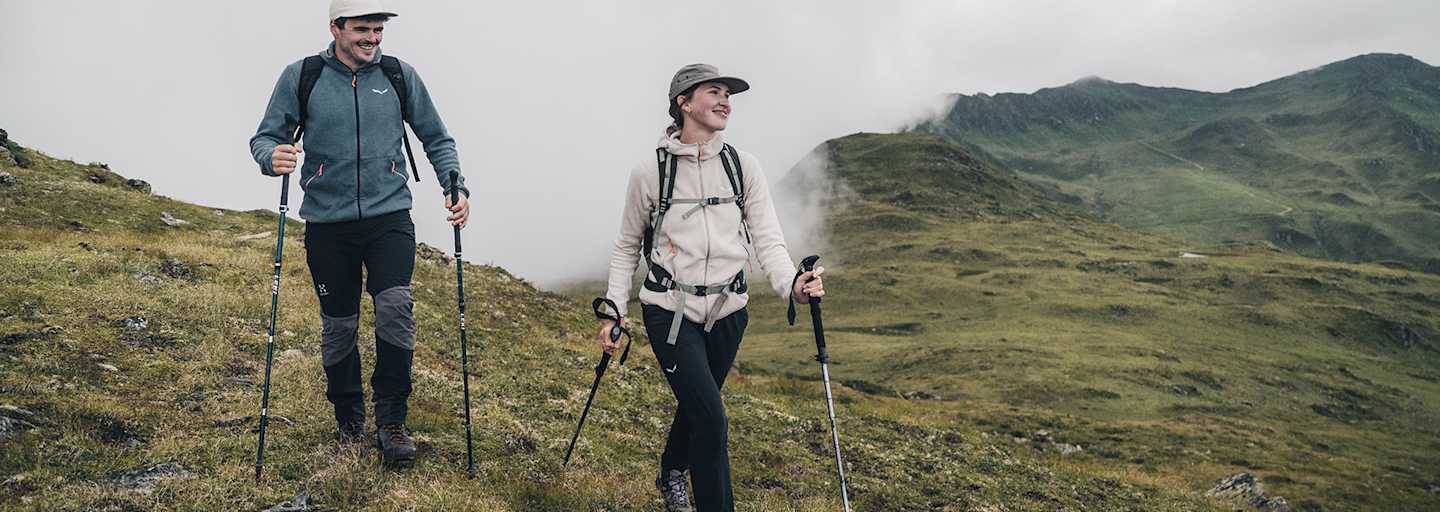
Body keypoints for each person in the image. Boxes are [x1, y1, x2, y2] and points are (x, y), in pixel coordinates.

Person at [248, 0, 470, 467]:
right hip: (328, 225)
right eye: (362, 30)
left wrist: (455, 184)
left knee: (394, 309)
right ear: (335, 28)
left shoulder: (397, 76)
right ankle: (349, 419)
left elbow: (437, 137)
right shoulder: (303, 76)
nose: (373, 39)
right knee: (339, 326)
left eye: (378, 30)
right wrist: (272, 158)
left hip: (389, 218)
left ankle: (391, 421)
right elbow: (266, 137)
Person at [600, 63, 826, 512]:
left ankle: (670, 472)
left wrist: (792, 287)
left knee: (698, 406)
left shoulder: (743, 166)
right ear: (683, 103)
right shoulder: (651, 172)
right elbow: (627, 246)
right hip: (669, 310)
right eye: (714, 92)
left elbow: (768, 239)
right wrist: (613, 312)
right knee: (712, 417)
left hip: (729, 311)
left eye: (729, 95)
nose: (726, 101)